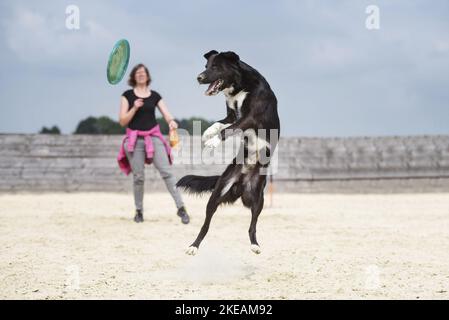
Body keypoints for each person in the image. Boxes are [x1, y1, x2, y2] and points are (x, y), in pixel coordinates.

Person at [118, 63, 189, 224]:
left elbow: (167, 114)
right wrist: (134, 108)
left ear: (148, 76)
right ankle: (139, 211)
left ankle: (181, 208)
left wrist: (171, 122)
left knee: (167, 173)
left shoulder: (155, 95)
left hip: (154, 136)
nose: (141, 74)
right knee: (138, 177)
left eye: (143, 72)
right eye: (138, 72)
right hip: (134, 140)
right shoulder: (127, 95)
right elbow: (122, 121)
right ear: (133, 77)